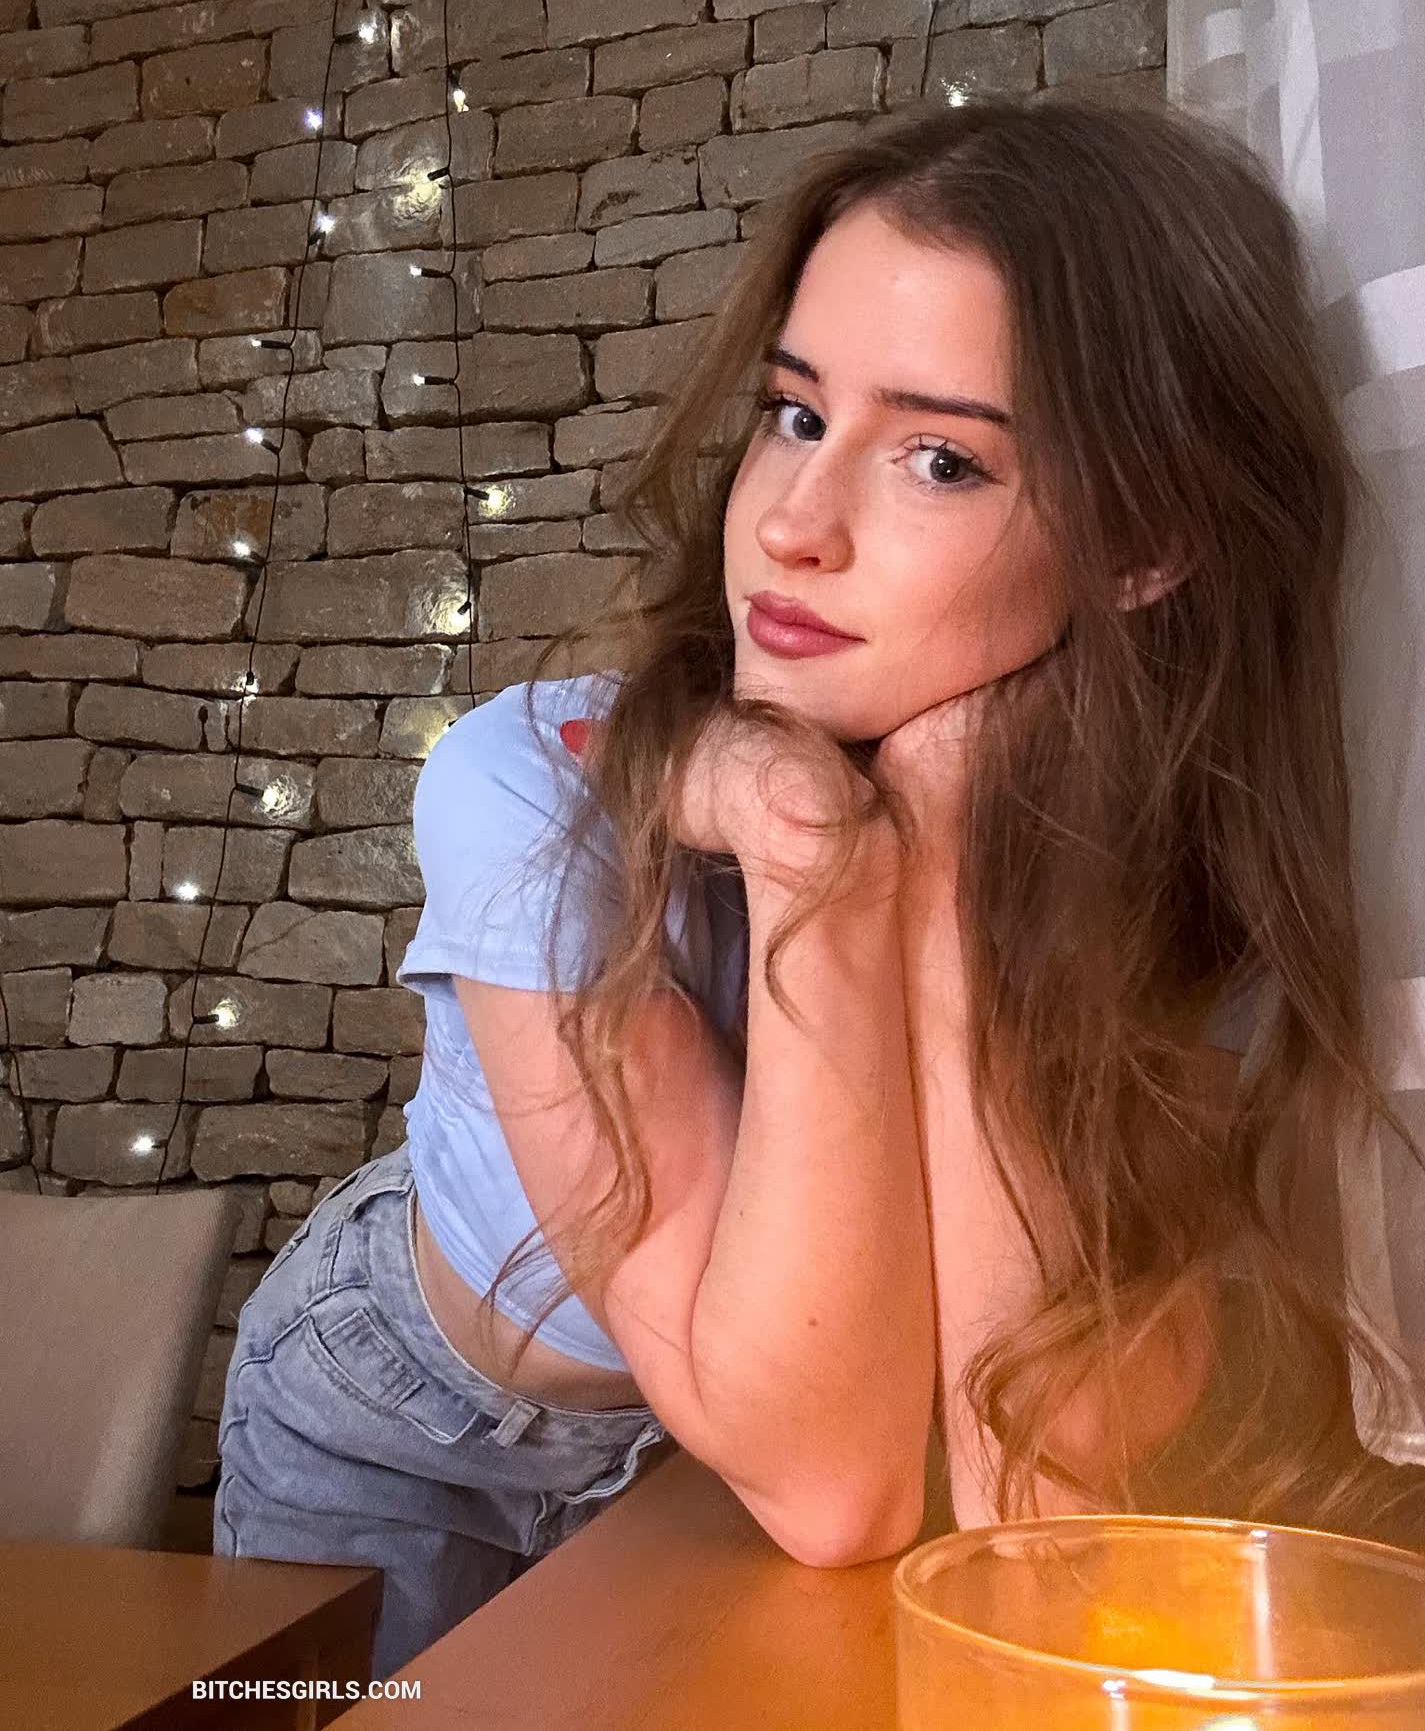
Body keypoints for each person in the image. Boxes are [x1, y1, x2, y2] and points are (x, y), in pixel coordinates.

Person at [213, 92, 1421, 1678]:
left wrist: (945, 869)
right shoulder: (534, 784)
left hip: (715, 1462)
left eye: (938, 459)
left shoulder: (1184, 865)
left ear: (1142, 546)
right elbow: (836, 1487)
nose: (791, 525)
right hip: (401, 1414)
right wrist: (811, 857)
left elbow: (1040, 1496)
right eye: (794, 414)